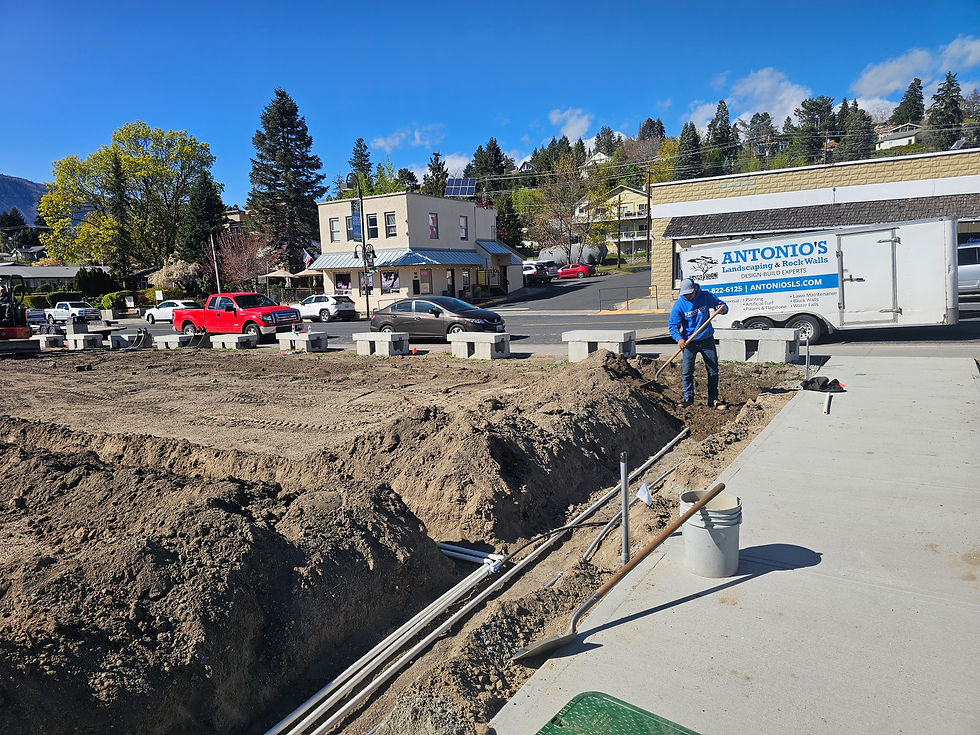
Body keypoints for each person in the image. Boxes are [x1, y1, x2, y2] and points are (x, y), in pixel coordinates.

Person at [668, 278, 728, 409]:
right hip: (689, 342)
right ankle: (688, 398)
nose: (687, 296)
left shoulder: (705, 296)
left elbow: (722, 306)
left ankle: (713, 399)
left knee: (713, 370)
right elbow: (673, 325)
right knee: (687, 371)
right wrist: (679, 339)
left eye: (689, 294)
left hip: (707, 339)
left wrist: (721, 308)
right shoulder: (679, 305)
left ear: (695, 288)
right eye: (685, 294)